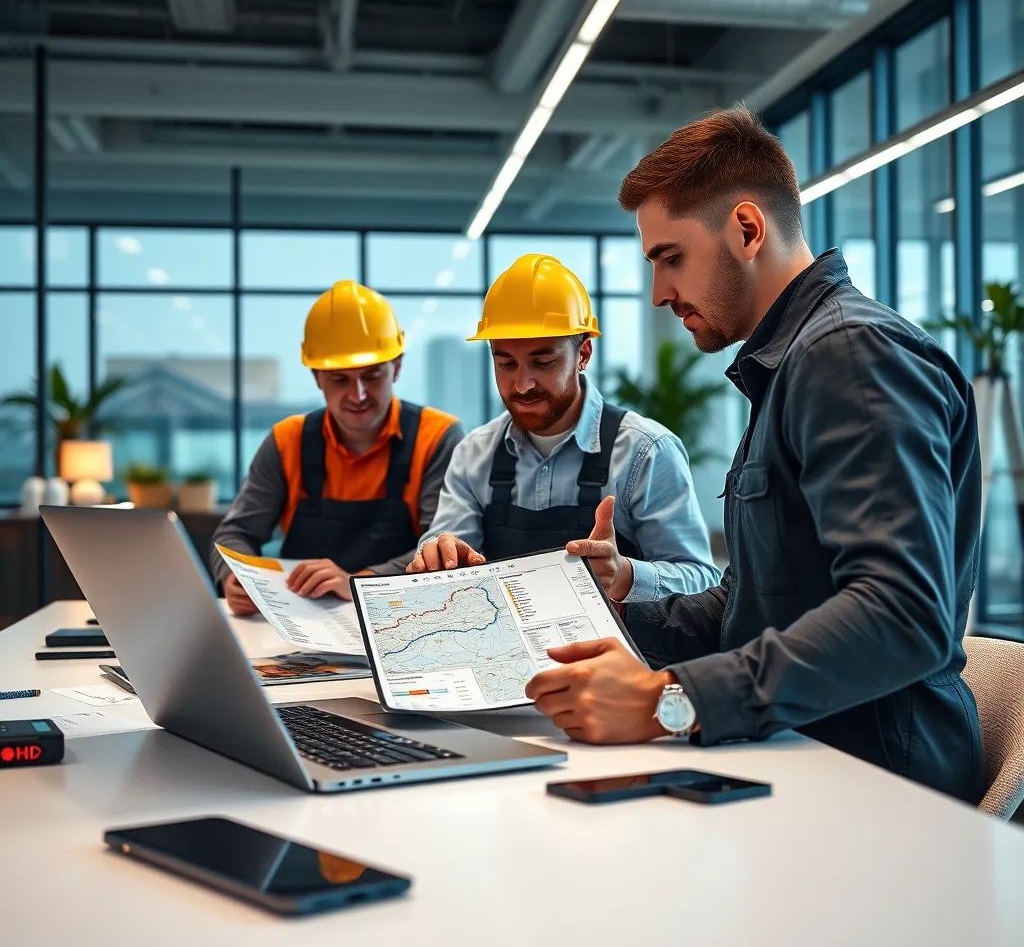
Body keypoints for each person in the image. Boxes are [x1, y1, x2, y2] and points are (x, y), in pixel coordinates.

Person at [525, 107, 985, 805]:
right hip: (797, 754)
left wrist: (667, 702)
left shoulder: (849, 355)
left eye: (669, 258)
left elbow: (902, 614)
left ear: (745, 228)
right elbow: (760, 601)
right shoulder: (792, 365)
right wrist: (619, 606)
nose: (659, 295)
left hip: (875, 788)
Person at [408, 253, 720, 603]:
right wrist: (441, 554)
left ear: (583, 354)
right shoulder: (474, 453)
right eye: (506, 363)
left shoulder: (645, 451)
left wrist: (626, 575)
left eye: (543, 362)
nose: (522, 384)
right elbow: (447, 542)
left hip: (613, 654)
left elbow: (702, 580)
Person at [211, 280, 463, 613]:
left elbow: (440, 548)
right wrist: (235, 576)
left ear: (396, 367)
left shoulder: (437, 437)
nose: (357, 395)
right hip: (302, 623)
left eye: (372, 376)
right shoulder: (287, 440)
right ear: (317, 378)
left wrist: (358, 583)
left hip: (403, 614)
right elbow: (234, 533)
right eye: (340, 380)